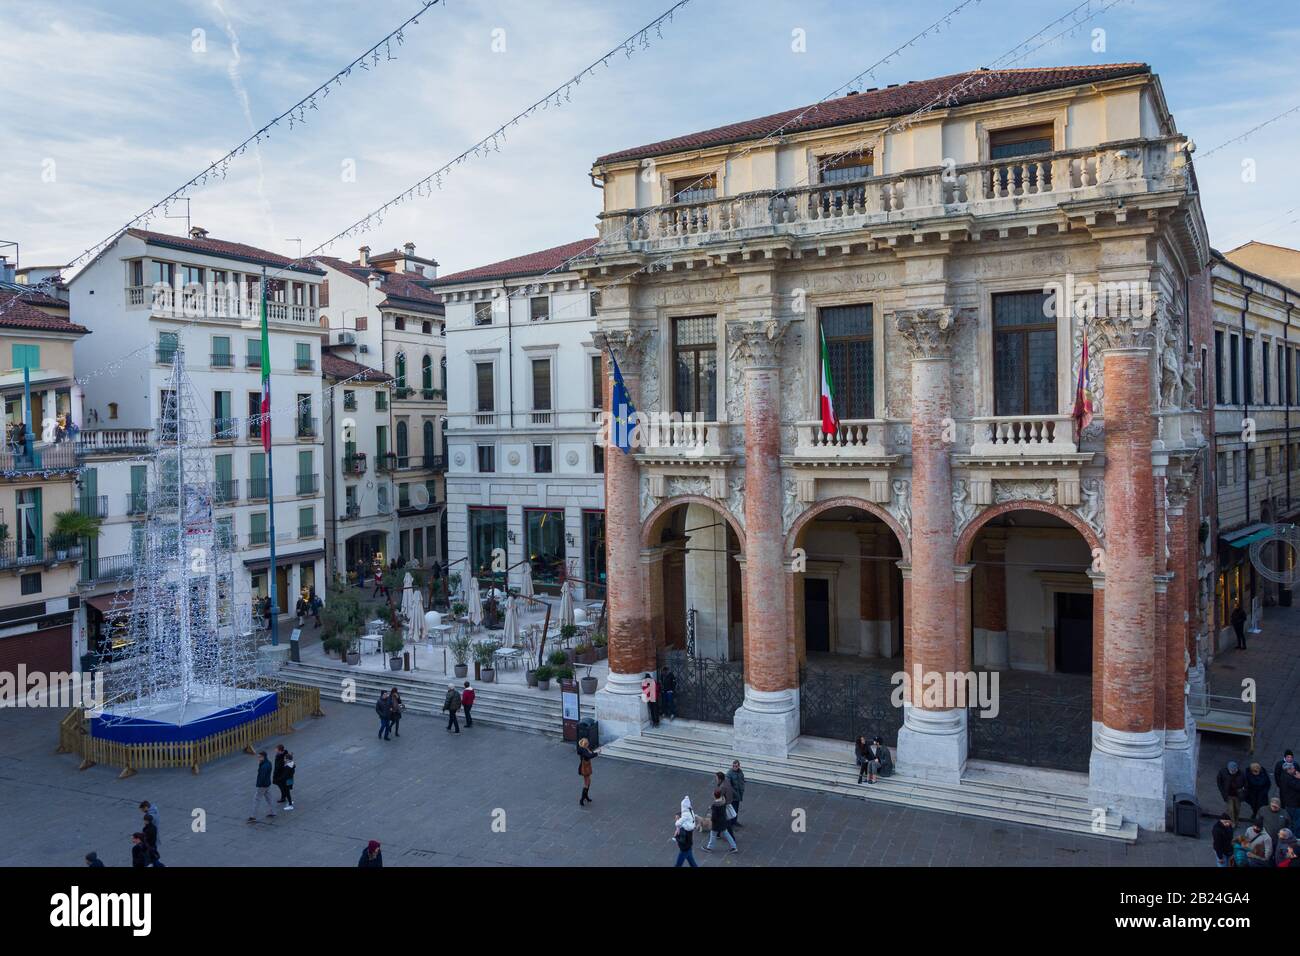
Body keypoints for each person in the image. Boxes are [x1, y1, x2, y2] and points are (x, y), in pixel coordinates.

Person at [705, 789, 739, 853]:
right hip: (723, 820)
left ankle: (709, 848)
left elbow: (714, 816)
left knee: (713, 834)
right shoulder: (723, 801)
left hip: (717, 823)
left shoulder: (715, 805)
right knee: (726, 834)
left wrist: (710, 816)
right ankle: (734, 846)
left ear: (715, 796)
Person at [248, 751, 276, 823]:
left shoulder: (264, 766)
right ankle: (272, 812)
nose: (258, 758)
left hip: (263, 785)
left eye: (259, 757)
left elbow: (262, 777)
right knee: (269, 798)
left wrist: (259, 785)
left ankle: (253, 816)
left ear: (263, 757)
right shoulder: (268, 763)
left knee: (256, 800)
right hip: (267, 784)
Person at [1217, 760, 1246, 825]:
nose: (1232, 772)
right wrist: (1223, 791)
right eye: (1231, 771)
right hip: (1228, 795)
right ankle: (1233, 822)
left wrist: (1243, 790)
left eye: (1234, 771)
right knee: (1231, 810)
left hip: (1238, 795)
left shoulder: (1242, 774)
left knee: (1237, 809)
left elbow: (1246, 783)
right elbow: (1219, 781)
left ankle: (1236, 820)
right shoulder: (1223, 772)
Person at [673, 797, 698, 867]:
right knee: (691, 861)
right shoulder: (688, 820)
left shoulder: (682, 829)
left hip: (684, 848)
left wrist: (676, 836)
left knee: (678, 864)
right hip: (688, 846)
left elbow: (682, 840)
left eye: (676, 818)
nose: (675, 819)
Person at [578, 737, 599, 806]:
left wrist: (595, 752)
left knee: (589, 781)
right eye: (587, 743)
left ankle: (586, 796)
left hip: (587, 766)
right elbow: (589, 756)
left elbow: (591, 753)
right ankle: (582, 799)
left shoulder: (585, 749)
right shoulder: (583, 750)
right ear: (585, 744)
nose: (588, 744)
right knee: (586, 783)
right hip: (584, 768)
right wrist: (597, 754)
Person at [1280, 764, 1300, 831]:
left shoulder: (1284, 775)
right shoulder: (1288, 778)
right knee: (1295, 820)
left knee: (1291, 819)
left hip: (1289, 802)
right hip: (1293, 803)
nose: (1295, 770)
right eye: (1293, 768)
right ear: (1288, 770)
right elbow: (1298, 786)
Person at [726, 760, 746, 827]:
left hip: (739, 794)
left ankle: (735, 821)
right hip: (733, 795)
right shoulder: (729, 773)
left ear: (739, 766)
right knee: (732, 810)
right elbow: (728, 784)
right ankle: (731, 824)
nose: (734, 767)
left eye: (736, 766)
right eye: (733, 766)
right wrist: (733, 792)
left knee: (736, 808)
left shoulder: (740, 772)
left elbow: (742, 779)